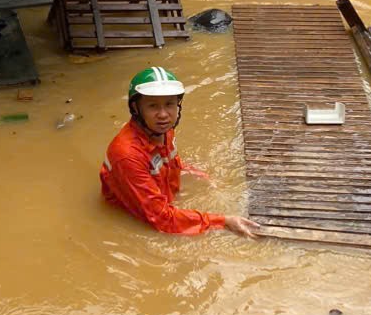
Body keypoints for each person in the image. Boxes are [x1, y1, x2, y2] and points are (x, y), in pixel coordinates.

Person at [100, 67, 259, 237]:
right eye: (153, 106)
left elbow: (169, 162)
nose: (163, 114)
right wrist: (223, 221)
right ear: (136, 108)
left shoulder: (162, 129)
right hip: (135, 218)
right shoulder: (127, 155)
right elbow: (162, 220)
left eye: (169, 104)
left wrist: (195, 173)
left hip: (162, 199)